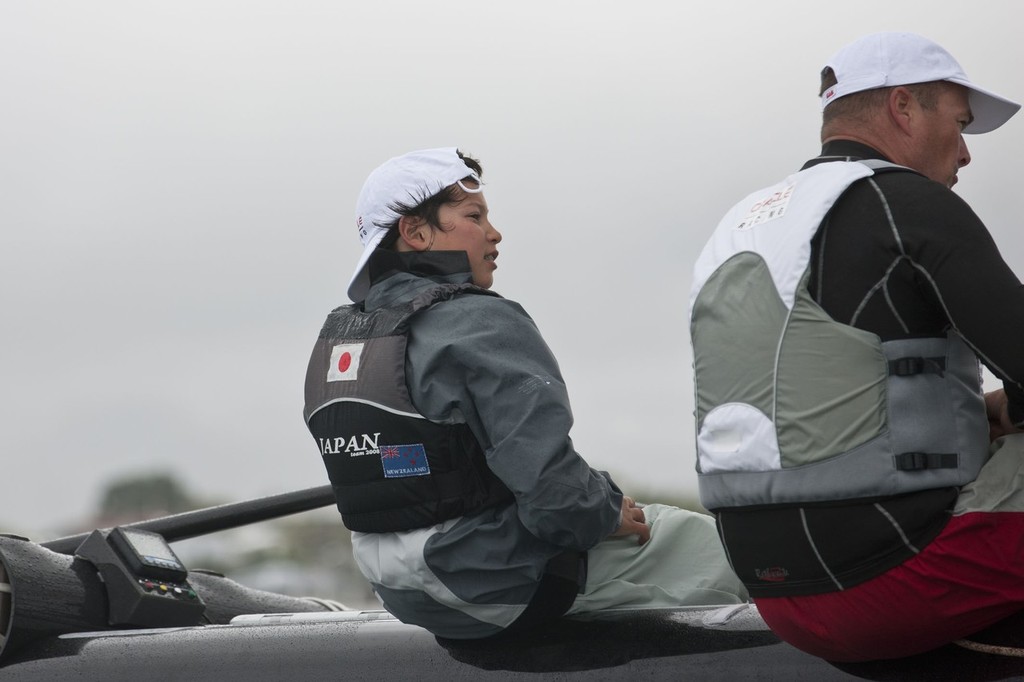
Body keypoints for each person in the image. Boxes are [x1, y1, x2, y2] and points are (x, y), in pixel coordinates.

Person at [303, 147, 747, 639]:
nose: (494, 233)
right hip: (493, 581)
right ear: (416, 232)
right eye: (474, 215)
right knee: (725, 553)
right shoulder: (479, 321)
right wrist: (603, 507)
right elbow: (559, 506)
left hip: (396, 586)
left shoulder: (341, 341)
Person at [688, 31, 1024, 662]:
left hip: (773, 595)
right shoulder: (909, 204)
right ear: (903, 106)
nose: (966, 153)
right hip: (899, 583)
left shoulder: (735, 226)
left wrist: (991, 414)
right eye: (959, 123)